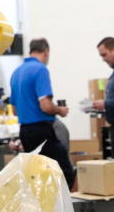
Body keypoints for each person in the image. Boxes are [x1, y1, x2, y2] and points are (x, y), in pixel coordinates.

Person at [10, 37, 78, 186]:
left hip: (25, 132)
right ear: (46, 52)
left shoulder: (16, 73)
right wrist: (60, 110)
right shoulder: (40, 70)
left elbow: (14, 110)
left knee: (38, 176)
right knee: (65, 171)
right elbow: (46, 106)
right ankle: (60, 207)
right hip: (42, 131)